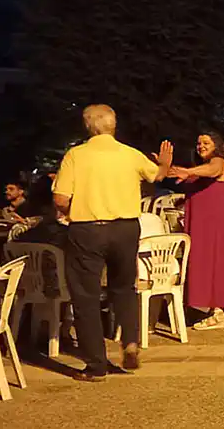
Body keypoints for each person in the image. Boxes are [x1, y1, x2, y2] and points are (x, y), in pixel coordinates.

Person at [52, 104, 173, 381]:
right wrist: (165, 163)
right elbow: (157, 175)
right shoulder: (129, 153)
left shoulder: (76, 155)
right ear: (113, 125)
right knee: (124, 288)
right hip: (126, 229)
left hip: (87, 230)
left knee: (86, 296)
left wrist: (71, 210)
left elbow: (60, 198)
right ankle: (130, 340)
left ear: (87, 126)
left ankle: (96, 365)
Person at [168, 132, 224, 331]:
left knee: (216, 263)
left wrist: (188, 172)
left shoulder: (218, 162)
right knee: (203, 263)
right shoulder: (198, 169)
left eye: (206, 143)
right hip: (202, 225)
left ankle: (218, 312)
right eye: (199, 143)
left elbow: (213, 170)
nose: (201, 146)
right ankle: (211, 308)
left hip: (217, 227)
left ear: (216, 145)